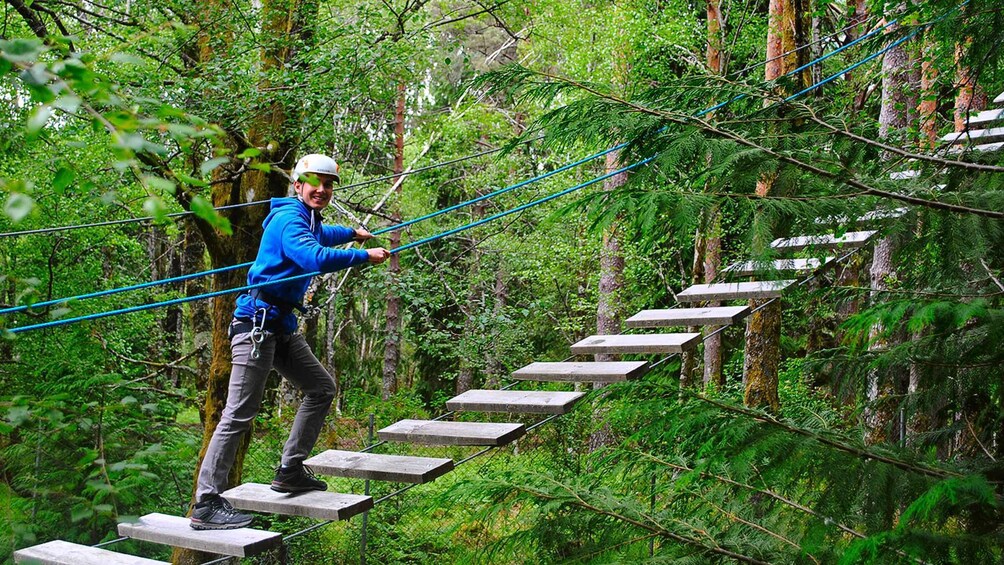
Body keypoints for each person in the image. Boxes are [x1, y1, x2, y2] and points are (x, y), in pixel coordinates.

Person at [190, 154, 390, 530]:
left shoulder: (306, 218)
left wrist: (349, 233)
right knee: (238, 414)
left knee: (320, 388)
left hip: (279, 325)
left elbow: (320, 235)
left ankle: (290, 469)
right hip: (256, 325)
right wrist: (362, 255)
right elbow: (310, 255)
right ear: (298, 185)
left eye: (329, 185)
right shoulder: (287, 218)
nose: (322, 190)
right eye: (315, 182)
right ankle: (205, 503)